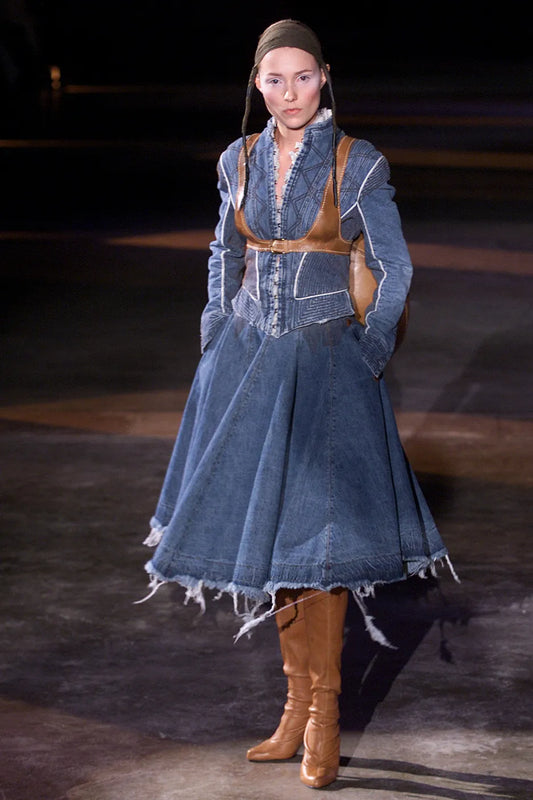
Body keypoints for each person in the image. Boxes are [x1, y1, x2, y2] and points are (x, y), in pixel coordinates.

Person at [139, 19, 457, 789]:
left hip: (325, 366)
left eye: (303, 77)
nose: (289, 93)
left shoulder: (357, 162)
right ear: (256, 84)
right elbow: (224, 250)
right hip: (247, 364)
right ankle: (292, 709)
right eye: (274, 79)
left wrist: (368, 350)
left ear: (324, 77)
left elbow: (394, 266)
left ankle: (324, 716)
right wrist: (214, 335)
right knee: (278, 543)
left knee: (321, 545)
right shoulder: (238, 158)